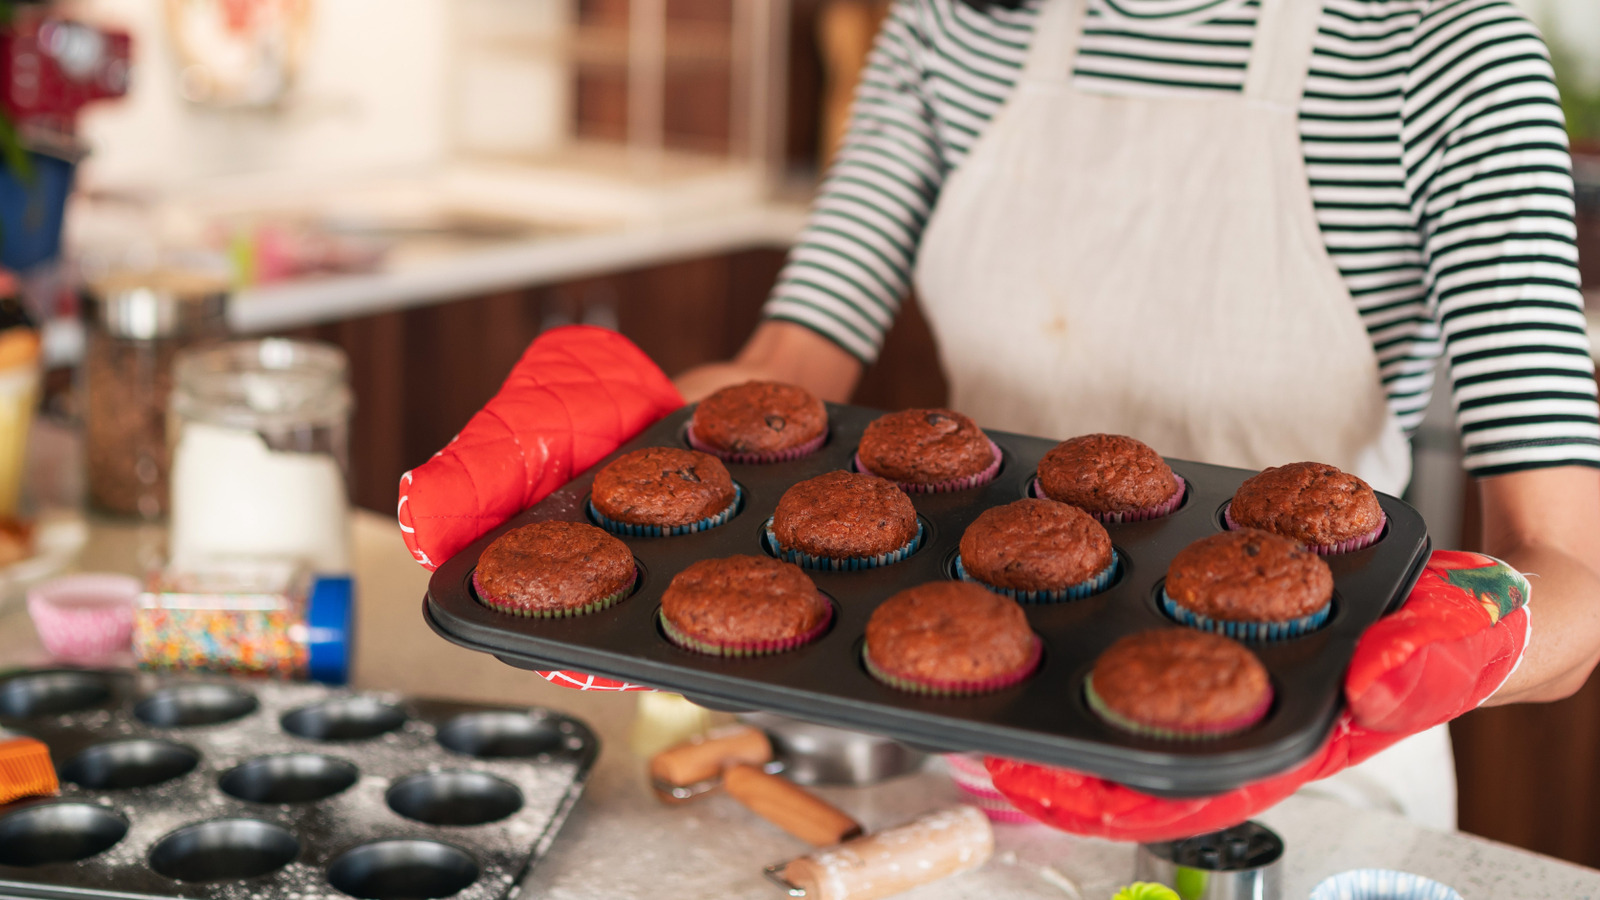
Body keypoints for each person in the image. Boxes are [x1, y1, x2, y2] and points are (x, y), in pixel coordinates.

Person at [666, 0, 1600, 831]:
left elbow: (1572, 574)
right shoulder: (948, 29)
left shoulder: (1449, 50)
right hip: (987, 735)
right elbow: (779, 375)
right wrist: (614, 439)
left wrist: (1399, 671)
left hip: (1292, 783)